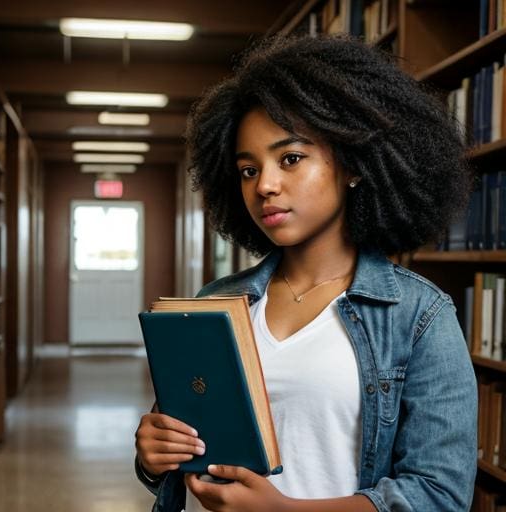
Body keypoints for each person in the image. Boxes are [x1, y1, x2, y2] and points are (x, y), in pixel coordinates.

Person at [135, 33, 478, 512]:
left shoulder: (419, 316)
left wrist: (284, 511)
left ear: (353, 165)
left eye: (290, 159)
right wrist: (154, 455)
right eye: (248, 170)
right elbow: (187, 443)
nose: (265, 186)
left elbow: (440, 495)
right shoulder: (215, 301)